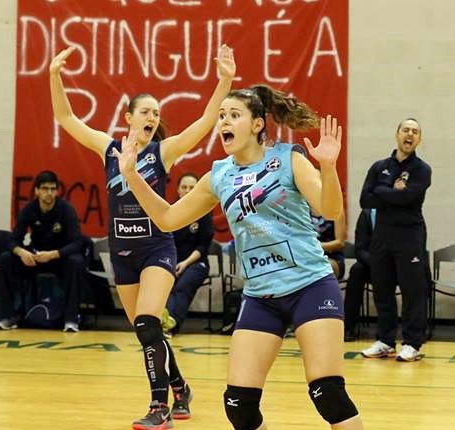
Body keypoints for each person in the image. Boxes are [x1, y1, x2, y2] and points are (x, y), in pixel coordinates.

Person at [114, 86, 365, 429]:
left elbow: (330, 208)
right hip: (261, 296)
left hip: (310, 285)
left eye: (234, 115)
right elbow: (168, 219)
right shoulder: (219, 175)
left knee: (328, 394)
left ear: (258, 124)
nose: (224, 123)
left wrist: (329, 167)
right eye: (221, 116)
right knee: (239, 404)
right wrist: (131, 174)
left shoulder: (289, 159)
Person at [50, 44, 235, 429]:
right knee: (146, 333)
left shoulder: (162, 153)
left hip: (156, 250)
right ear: (129, 117)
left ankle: (159, 407)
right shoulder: (108, 149)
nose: (153, 117)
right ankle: (181, 388)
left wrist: (225, 80)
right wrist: (54, 75)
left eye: (157, 113)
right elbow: (66, 117)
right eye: (146, 111)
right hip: (122, 255)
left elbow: (205, 121)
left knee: (150, 322)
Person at [360, 118, 431, 362]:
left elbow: (407, 198)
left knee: (413, 291)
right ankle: (385, 340)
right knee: (383, 290)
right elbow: (365, 200)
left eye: (415, 131)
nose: (410, 134)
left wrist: (381, 190)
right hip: (382, 236)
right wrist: (393, 189)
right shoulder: (379, 167)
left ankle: (412, 343)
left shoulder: (422, 170)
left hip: (410, 236)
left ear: (419, 139)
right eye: (406, 130)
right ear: (397, 134)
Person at [0, 170, 86, 333]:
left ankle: (71, 319)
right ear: (37, 190)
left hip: (58, 258)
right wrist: (22, 253)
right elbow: (12, 240)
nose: (49, 193)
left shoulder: (66, 210)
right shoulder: (29, 209)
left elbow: (78, 242)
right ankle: (7, 317)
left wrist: (53, 254)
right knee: (6, 258)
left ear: (57, 191)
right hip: (35, 258)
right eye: (45, 188)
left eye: (52, 189)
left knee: (76, 261)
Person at [161, 173, 214, 337]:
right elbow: (163, 242)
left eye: (192, 187)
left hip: (195, 263)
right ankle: (155, 322)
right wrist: (170, 263)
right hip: (171, 261)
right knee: (160, 284)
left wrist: (184, 264)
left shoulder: (204, 212)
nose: (188, 190)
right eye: (184, 187)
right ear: (178, 189)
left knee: (183, 285)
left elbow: (203, 246)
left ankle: (170, 325)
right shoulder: (169, 211)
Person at [343, 209, 376, 341]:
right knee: (357, 270)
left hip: (396, 265)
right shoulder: (368, 214)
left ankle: (418, 328)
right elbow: (360, 249)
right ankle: (349, 327)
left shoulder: (402, 212)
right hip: (372, 264)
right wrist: (376, 263)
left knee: (418, 269)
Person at [310, 209, 346, 279]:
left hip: (332, 257)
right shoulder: (303, 209)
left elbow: (340, 243)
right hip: (308, 256)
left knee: (320, 268)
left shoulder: (336, 210)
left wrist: (315, 246)